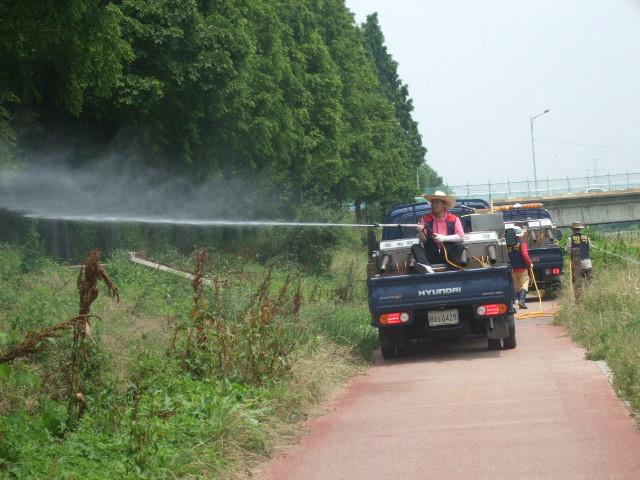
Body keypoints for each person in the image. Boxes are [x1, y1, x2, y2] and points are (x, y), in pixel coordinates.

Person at [411, 190, 467, 273]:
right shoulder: (425, 219)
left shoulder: (454, 219)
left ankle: (452, 268)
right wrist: (420, 231)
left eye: (437, 202)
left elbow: (461, 237)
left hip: (448, 254)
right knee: (415, 247)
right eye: (433, 202)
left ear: (444, 204)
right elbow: (424, 240)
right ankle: (426, 267)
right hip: (431, 253)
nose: (434, 205)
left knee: (460, 246)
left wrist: (444, 238)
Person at [507, 226, 533, 309]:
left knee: (516, 286)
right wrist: (530, 263)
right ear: (520, 235)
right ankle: (522, 301)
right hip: (522, 269)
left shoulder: (507, 246)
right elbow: (525, 255)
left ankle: (519, 301)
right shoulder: (522, 244)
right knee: (524, 283)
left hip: (512, 269)